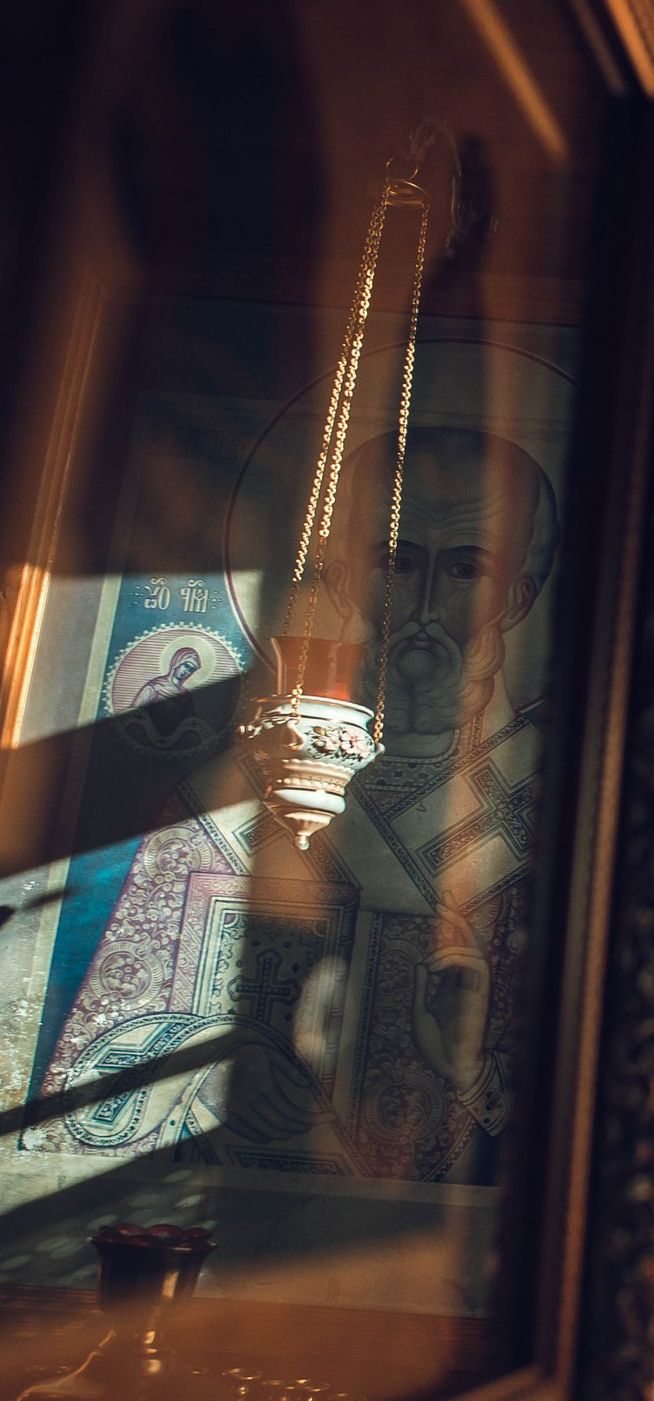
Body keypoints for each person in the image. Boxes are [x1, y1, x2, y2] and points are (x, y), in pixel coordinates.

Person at [29, 427, 561, 1184]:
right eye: (396, 561)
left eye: (465, 568)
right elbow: (93, 1060)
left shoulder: (560, 812)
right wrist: (213, 1070)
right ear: (341, 578)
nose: (422, 607)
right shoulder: (226, 800)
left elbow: (601, 1112)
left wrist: (473, 1074)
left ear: (518, 597)